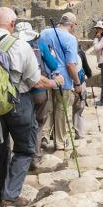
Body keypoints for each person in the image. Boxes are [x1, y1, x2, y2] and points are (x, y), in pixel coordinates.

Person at [0, 8, 57, 207]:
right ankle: (10, 197)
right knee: (25, 149)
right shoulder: (19, 45)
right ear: (12, 24)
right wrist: (54, 83)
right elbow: (34, 81)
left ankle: (0, 195)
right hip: (18, 104)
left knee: (0, 151)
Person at [15, 20, 60, 169]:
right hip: (40, 91)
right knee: (39, 123)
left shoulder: (14, 46)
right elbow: (53, 65)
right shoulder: (39, 45)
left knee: (23, 124)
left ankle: (23, 156)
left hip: (21, 92)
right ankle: (35, 155)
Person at [40, 13, 83, 148]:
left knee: (47, 109)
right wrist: (77, 83)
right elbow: (70, 65)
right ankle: (60, 141)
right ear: (71, 25)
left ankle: (44, 136)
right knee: (61, 110)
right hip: (63, 80)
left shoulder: (44, 33)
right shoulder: (70, 39)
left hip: (45, 77)